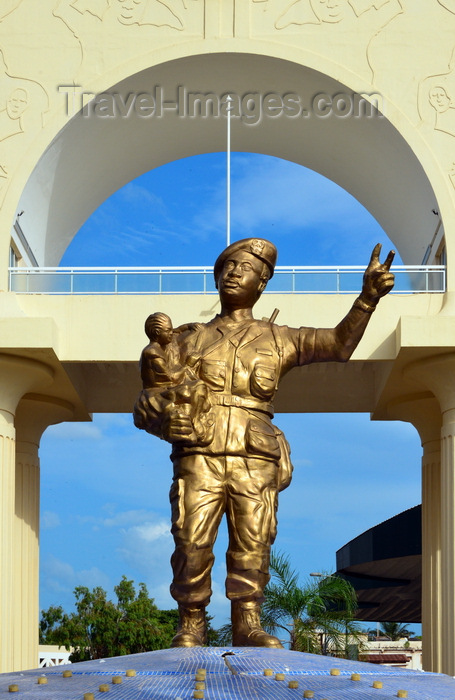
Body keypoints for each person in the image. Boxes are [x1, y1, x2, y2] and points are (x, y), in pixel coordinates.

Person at [133, 237, 394, 648]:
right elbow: (148, 401)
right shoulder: (184, 340)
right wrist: (166, 422)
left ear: (263, 281)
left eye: (245, 267)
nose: (234, 272)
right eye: (228, 266)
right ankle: (191, 623)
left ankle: (248, 622)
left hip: (255, 454)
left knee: (254, 541)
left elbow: (338, 345)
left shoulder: (281, 338)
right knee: (190, 540)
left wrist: (367, 299)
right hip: (199, 453)